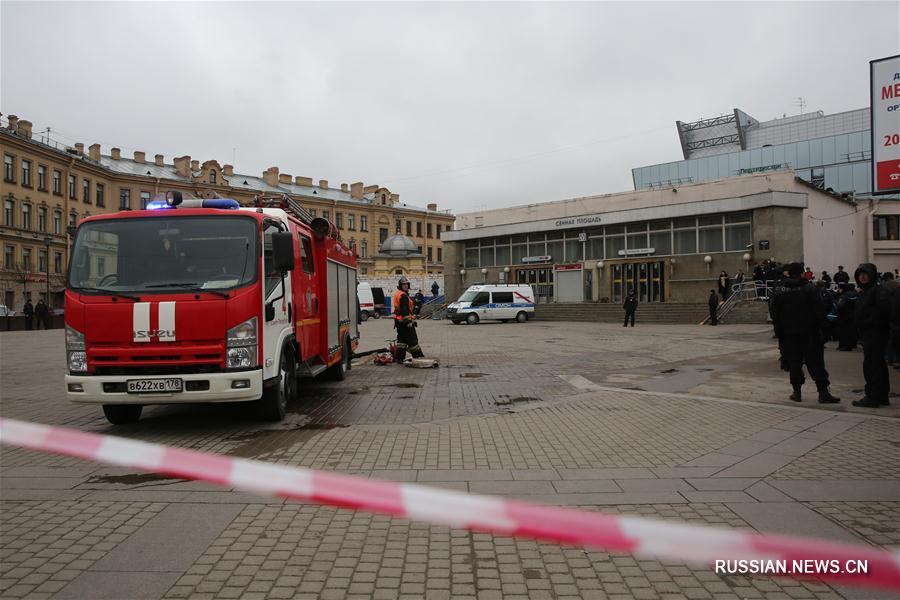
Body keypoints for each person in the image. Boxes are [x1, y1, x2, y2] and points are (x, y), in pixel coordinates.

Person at [771, 262, 839, 404]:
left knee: (795, 364)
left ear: (788, 273)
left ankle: (797, 393)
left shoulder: (780, 292)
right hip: (810, 334)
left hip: (790, 335)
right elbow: (820, 312)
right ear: (802, 273)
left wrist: (780, 335)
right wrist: (825, 332)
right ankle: (823, 393)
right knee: (816, 363)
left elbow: (775, 316)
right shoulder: (810, 289)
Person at [851, 264, 892, 408]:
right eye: (860, 274)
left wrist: (869, 321)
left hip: (874, 332)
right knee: (877, 364)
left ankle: (873, 396)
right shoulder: (867, 291)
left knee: (872, 365)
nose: (862, 277)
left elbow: (885, 312)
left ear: (872, 275)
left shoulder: (877, 291)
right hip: (870, 332)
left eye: (865, 274)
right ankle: (881, 395)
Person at [392, 276, 424, 362]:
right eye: (404, 284)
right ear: (400, 285)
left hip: (399, 322)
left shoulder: (398, 293)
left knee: (401, 341)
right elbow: (404, 310)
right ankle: (419, 357)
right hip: (405, 323)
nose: (406, 286)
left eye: (407, 284)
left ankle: (399, 358)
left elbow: (404, 307)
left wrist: (414, 303)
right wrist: (409, 322)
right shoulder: (403, 295)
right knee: (413, 340)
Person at [835, 283, 858, 351]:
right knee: (851, 331)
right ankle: (851, 345)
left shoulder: (844, 296)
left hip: (844, 316)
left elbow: (840, 305)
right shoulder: (855, 294)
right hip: (852, 315)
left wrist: (836, 301)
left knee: (843, 332)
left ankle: (844, 346)